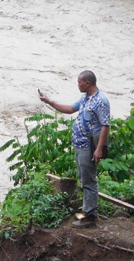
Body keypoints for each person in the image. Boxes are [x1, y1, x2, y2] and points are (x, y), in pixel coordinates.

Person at [39, 70, 110, 228]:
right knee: (84, 178)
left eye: (79, 82)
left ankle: (90, 217)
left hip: (89, 146)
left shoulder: (101, 101)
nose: (77, 85)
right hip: (79, 145)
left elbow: (105, 126)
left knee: (89, 180)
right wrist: (49, 101)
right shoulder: (86, 98)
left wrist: (98, 149)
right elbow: (70, 109)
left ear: (88, 83)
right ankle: (86, 210)